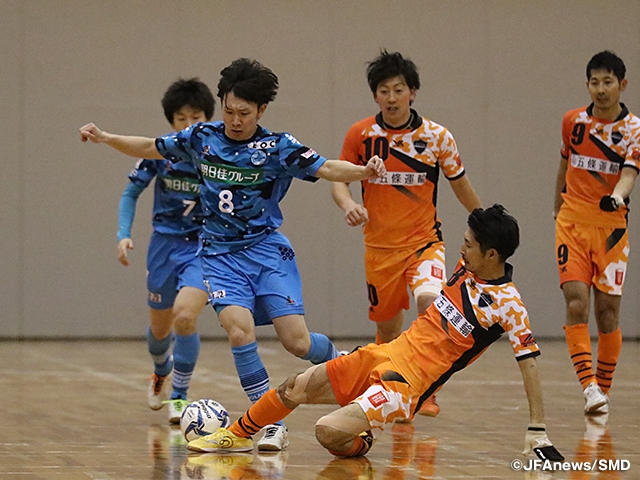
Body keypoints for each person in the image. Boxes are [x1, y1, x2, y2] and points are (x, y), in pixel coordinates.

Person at [80, 58, 386, 451]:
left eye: (244, 113)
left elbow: (326, 168)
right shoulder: (201, 137)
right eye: (228, 110)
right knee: (238, 330)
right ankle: (270, 421)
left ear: (261, 110)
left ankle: (348, 360)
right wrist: (106, 137)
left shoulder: (278, 147)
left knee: (297, 343)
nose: (235, 119)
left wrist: (363, 172)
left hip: (267, 253)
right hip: (219, 256)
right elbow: (149, 146)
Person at [186, 205, 564, 464]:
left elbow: (529, 366)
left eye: (469, 244)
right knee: (293, 387)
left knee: (327, 433)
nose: (462, 248)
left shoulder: (509, 305)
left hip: (405, 385)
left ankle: (365, 434)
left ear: (493, 254)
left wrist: (538, 429)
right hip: (384, 353)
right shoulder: (465, 267)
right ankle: (235, 435)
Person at [331, 50, 482, 416]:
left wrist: (481, 219)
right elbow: (338, 181)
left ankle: (426, 387)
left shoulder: (437, 137)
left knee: (429, 301)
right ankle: (392, 386)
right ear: (375, 96)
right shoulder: (361, 134)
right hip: (380, 250)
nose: (392, 97)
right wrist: (349, 205)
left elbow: (459, 184)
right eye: (384, 91)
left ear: (412, 92)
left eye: (399, 89)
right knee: (387, 332)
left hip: (424, 243)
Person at [116, 78, 214, 423]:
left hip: (203, 247)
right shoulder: (161, 153)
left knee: (185, 317)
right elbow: (131, 193)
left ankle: (180, 395)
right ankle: (161, 370)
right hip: (164, 245)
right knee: (159, 331)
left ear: (209, 118)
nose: (189, 125)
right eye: (181, 119)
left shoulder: (220, 156)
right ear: (172, 122)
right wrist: (123, 234)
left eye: (196, 118)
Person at [553, 50, 640, 415]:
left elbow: (629, 174)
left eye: (608, 82)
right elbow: (564, 164)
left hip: (611, 231)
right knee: (576, 302)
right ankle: (588, 387)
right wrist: (557, 207)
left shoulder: (633, 129)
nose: (600, 90)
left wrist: (617, 199)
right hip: (572, 223)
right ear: (586, 84)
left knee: (607, 313)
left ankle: (602, 389)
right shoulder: (573, 122)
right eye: (594, 82)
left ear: (622, 84)